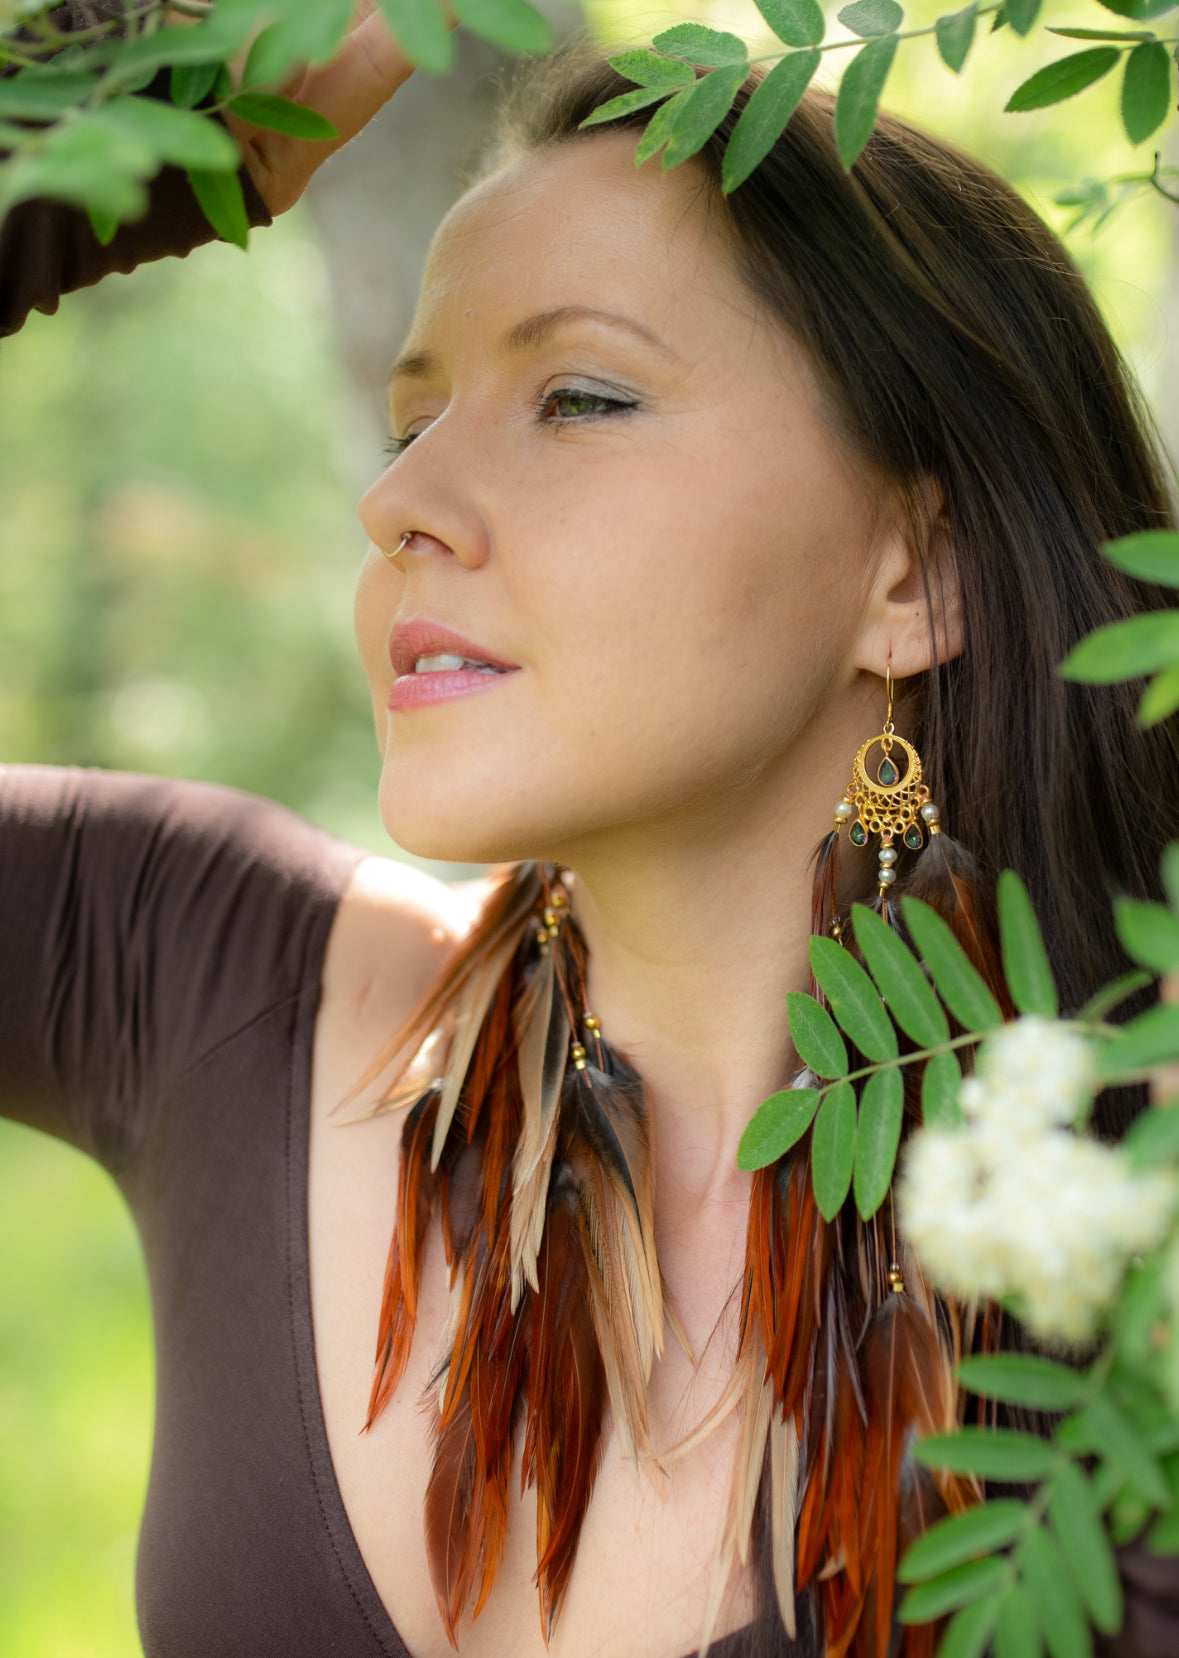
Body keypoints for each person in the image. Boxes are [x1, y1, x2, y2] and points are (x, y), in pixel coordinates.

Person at [2, 21, 1178, 1658]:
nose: (400, 503)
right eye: (414, 422)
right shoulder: (206, 974)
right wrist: (95, 162)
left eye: (580, 396)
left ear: (916, 570)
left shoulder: (1147, 1208)